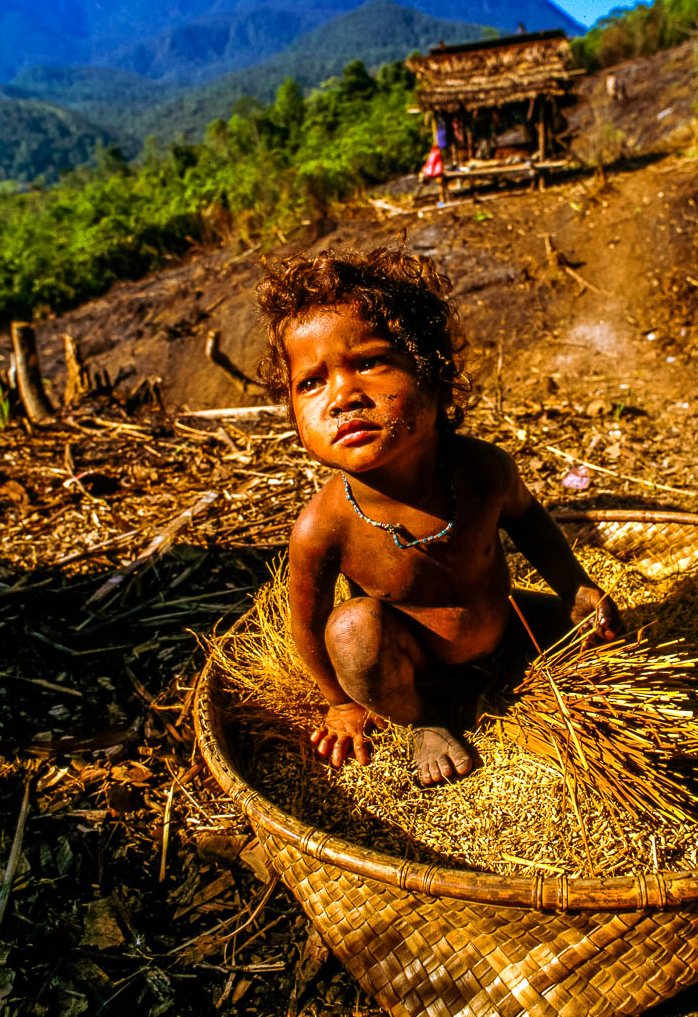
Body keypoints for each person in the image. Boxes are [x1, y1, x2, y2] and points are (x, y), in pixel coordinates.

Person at [256, 244, 622, 786]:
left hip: (507, 624)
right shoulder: (322, 527)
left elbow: (530, 522)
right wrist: (340, 703)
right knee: (354, 631)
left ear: (436, 375)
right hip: (414, 666)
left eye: (370, 362)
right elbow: (307, 626)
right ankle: (424, 718)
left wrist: (575, 587)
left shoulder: (483, 469)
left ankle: (512, 662)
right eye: (311, 382)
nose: (342, 397)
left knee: (607, 629)